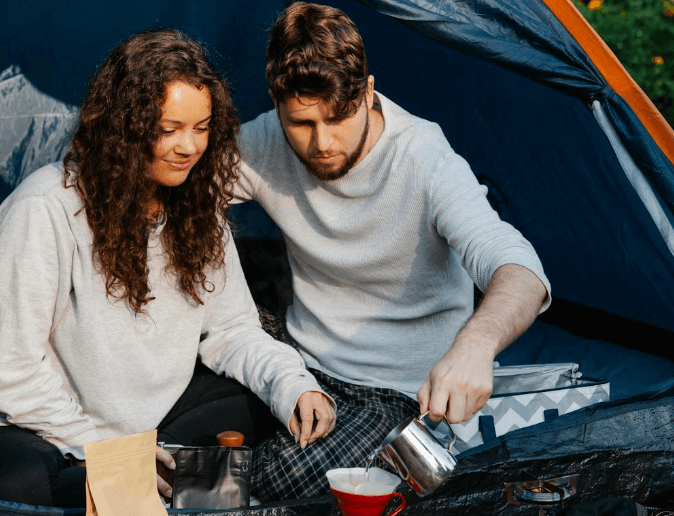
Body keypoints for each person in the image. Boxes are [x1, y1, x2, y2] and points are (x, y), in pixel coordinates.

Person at [0, 28, 335, 507]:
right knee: (24, 481)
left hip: (160, 422)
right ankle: (128, 482)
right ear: (125, 126)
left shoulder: (197, 209)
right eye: (168, 129)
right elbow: (11, 370)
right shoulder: (44, 207)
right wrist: (107, 454)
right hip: (61, 430)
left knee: (261, 405)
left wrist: (294, 387)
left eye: (201, 129)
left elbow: (235, 329)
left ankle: (159, 477)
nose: (189, 147)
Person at [233, 2, 551, 502]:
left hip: (392, 393)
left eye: (338, 118)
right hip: (295, 358)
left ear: (368, 91)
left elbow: (520, 268)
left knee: (287, 479)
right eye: (301, 124)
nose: (321, 143)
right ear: (277, 106)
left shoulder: (424, 157)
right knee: (174, 392)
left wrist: (476, 346)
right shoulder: (266, 138)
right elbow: (174, 189)